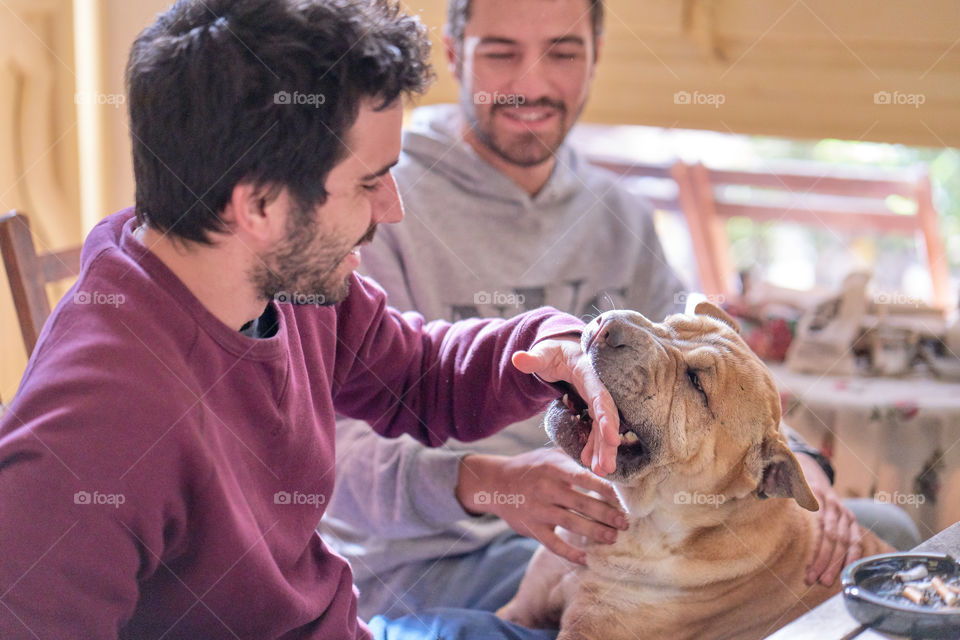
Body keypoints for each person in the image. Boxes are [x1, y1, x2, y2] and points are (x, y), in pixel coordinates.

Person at [0, 1, 623, 639]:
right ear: (261, 205)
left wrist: (547, 344)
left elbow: (418, 376)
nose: (393, 210)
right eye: (368, 183)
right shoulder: (94, 431)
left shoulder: (287, 284)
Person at [321, 0, 920, 623]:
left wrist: (802, 469)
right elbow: (331, 452)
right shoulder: (372, 202)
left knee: (881, 537)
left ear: (597, 56)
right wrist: (487, 484)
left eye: (563, 52)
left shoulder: (619, 213)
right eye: (500, 52)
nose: (531, 84)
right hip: (439, 560)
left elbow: (709, 367)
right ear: (453, 53)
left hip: (624, 520)